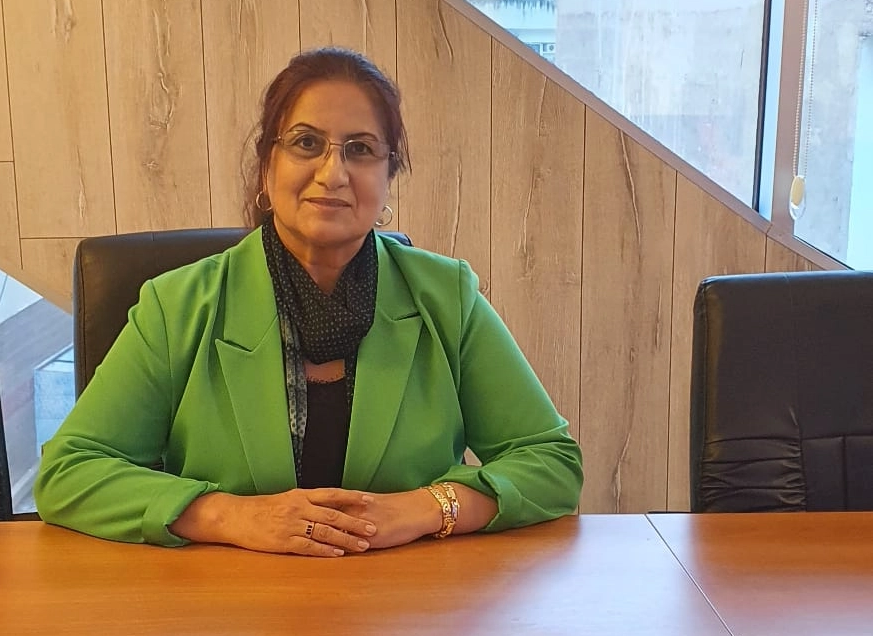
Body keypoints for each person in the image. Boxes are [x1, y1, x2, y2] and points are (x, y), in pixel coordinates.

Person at [35, 47, 583, 557]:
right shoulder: (177, 306)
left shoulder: (447, 298)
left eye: (361, 149)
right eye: (305, 143)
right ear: (267, 167)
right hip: (230, 600)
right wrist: (229, 515)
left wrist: (426, 508)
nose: (333, 173)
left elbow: (552, 463)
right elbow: (69, 473)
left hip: (405, 599)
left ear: (388, 176)